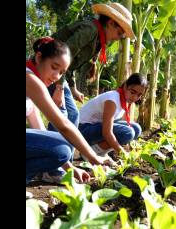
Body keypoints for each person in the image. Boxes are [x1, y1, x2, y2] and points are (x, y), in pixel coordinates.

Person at [26, 37, 114, 184]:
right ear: (39, 57)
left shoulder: (33, 84)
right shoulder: (30, 79)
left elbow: (42, 132)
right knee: (63, 146)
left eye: (61, 72)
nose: (56, 77)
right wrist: (94, 157)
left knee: (61, 150)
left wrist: (70, 168)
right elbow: (63, 125)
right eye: (54, 67)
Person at [47, 2, 136, 132]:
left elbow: (70, 65)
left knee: (71, 115)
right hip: (48, 69)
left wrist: (73, 89)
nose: (119, 38)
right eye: (120, 33)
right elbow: (63, 55)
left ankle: (58, 147)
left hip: (58, 73)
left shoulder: (98, 39)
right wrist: (59, 88)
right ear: (111, 23)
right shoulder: (90, 30)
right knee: (65, 116)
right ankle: (54, 148)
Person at [78, 73, 147, 159]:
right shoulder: (112, 100)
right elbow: (106, 132)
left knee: (136, 129)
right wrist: (122, 153)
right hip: (82, 130)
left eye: (139, 95)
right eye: (133, 92)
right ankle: (90, 153)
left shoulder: (124, 98)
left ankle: (102, 151)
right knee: (128, 133)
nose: (135, 98)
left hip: (95, 127)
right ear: (125, 86)